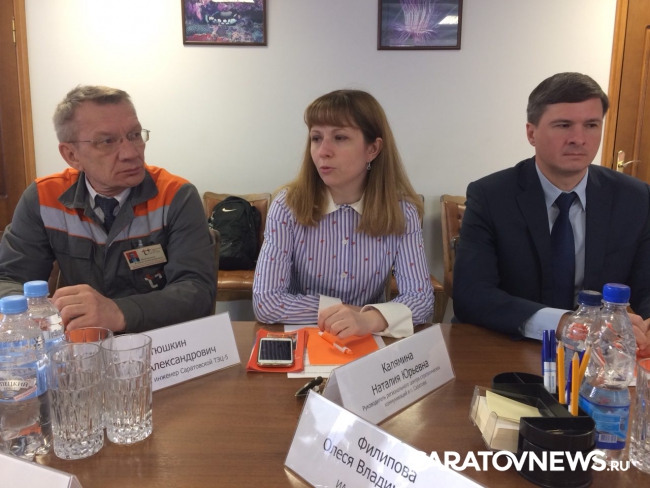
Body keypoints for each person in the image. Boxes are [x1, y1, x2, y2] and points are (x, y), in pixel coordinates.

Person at [453, 72, 650, 356]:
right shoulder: (490, 196)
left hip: (600, 355)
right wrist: (565, 323)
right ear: (531, 133)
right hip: (509, 348)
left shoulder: (635, 197)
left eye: (591, 125)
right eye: (563, 125)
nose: (578, 139)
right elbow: (471, 295)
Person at [0, 85, 216, 333]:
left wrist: (118, 312)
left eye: (135, 135)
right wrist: (40, 314)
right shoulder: (44, 198)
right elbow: (9, 280)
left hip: (159, 343)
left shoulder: (176, 196)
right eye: (107, 141)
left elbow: (197, 291)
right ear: (71, 155)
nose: (131, 153)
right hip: (80, 343)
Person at [253, 89, 433, 338]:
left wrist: (368, 319)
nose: (323, 151)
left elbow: (421, 300)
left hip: (368, 340)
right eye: (316, 138)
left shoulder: (402, 211)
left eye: (339, 137)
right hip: (304, 339)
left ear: (373, 149)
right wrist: (349, 313)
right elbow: (266, 302)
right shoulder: (287, 206)